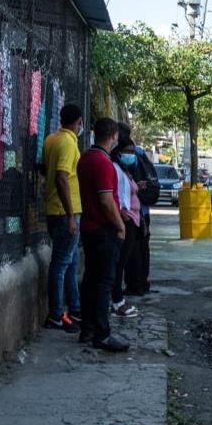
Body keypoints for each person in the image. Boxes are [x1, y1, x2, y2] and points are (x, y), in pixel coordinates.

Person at [76, 118, 129, 352]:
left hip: (89, 226)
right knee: (104, 282)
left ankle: (87, 328)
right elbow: (107, 201)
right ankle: (102, 333)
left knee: (90, 279)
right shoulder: (103, 163)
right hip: (103, 228)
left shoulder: (85, 158)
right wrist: (120, 226)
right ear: (114, 135)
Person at [42, 104, 84, 333]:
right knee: (60, 264)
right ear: (77, 122)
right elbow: (61, 177)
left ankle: (74, 309)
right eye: (80, 124)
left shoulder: (51, 139)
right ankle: (56, 314)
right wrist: (70, 216)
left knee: (70, 262)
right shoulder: (68, 143)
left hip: (56, 209)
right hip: (64, 211)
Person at [118, 123, 159, 295]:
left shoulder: (122, 157)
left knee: (132, 251)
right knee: (142, 249)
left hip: (133, 213)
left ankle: (135, 285)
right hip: (142, 212)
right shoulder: (140, 154)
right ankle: (142, 283)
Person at [111, 137, 143, 318]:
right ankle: (116, 300)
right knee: (119, 263)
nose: (131, 155)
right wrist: (122, 218)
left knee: (121, 262)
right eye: (128, 151)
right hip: (125, 220)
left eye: (133, 152)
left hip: (131, 219)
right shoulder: (116, 169)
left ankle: (118, 299)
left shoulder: (125, 170)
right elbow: (115, 195)